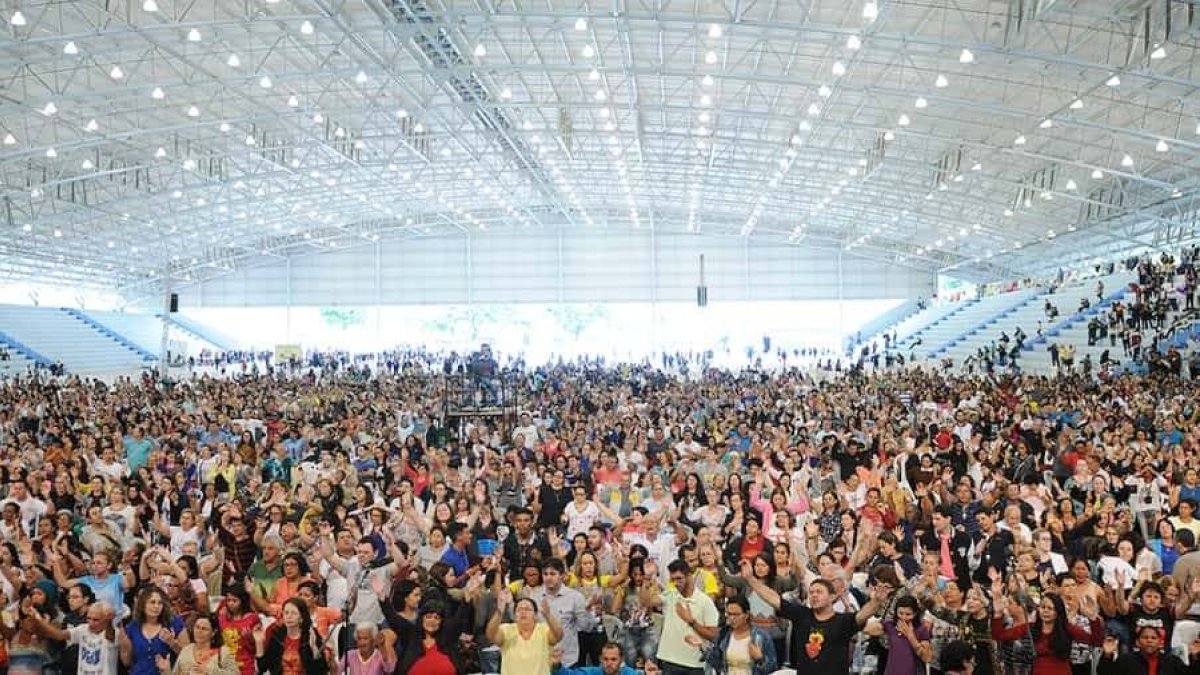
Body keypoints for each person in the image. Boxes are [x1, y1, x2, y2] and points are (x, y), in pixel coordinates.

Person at [647, 559, 719, 675]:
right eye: (673, 579)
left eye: (679, 578)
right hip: (670, 659)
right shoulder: (670, 594)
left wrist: (691, 622)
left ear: (689, 577)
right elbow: (646, 602)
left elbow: (713, 636)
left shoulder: (705, 602)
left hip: (695, 664)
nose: (676, 583)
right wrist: (646, 582)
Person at [486, 585, 563, 675]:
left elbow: (558, 636)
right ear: (514, 616)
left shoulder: (543, 629)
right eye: (519, 610)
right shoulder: (507, 629)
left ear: (535, 615)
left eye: (528, 609)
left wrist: (548, 615)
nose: (523, 612)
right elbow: (490, 635)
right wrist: (499, 612)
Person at [695, 595, 777, 675]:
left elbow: (772, 669)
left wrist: (760, 659)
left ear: (746, 614)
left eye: (736, 614)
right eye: (729, 614)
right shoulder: (724, 634)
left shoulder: (761, 637)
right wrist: (701, 646)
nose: (732, 618)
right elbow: (717, 663)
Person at [253, 597, 328, 675]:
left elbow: (321, 671)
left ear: (301, 618)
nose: (289, 616)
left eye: (294, 613)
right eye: (286, 613)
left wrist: (314, 648)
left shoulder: (310, 636)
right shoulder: (277, 636)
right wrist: (259, 643)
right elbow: (263, 667)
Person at [119, 587, 185, 675]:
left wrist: (172, 643)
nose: (156, 606)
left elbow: (187, 655)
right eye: (152, 602)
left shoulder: (174, 623)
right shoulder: (132, 627)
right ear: (142, 605)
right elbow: (126, 662)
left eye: (160, 603)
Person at [1096, 625, 1200, 675]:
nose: (1149, 640)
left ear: (1160, 643)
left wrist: (1195, 656)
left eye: (1153, 638)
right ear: (1137, 642)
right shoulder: (1126, 661)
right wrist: (1107, 655)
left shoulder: (1172, 662)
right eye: (1145, 637)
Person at [158, 614, 239, 675]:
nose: (199, 631)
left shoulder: (223, 652)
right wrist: (167, 671)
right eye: (197, 627)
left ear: (213, 633)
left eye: (204, 629)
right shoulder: (186, 650)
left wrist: (210, 671)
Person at [552, 642, 642, 675]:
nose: (609, 663)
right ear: (600, 659)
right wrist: (557, 665)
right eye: (605, 659)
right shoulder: (590, 673)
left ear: (621, 660)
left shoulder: (630, 673)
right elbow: (568, 674)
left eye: (613, 659)